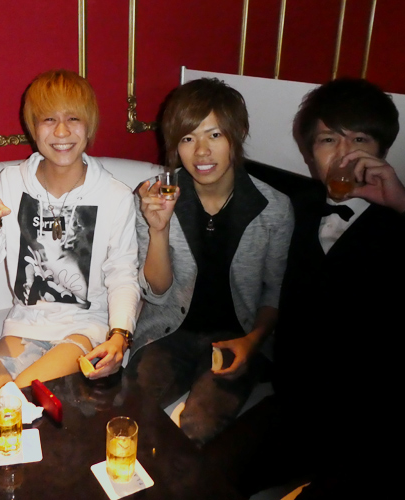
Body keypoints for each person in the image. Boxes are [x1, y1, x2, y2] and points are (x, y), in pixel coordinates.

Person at [206, 78, 405, 498]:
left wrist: (401, 204)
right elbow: (270, 289)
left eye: (360, 139)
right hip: (295, 404)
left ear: (382, 151)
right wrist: (252, 340)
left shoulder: (398, 221)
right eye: (328, 139)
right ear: (311, 154)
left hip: (373, 420)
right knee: (206, 476)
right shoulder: (294, 209)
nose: (344, 154)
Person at [125, 78, 294, 446]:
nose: (201, 151)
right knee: (130, 416)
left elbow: (275, 291)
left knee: (197, 429)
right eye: (187, 138)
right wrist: (158, 229)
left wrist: (252, 342)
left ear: (238, 133)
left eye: (214, 135)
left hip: (236, 336)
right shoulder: (154, 197)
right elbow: (155, 293)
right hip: (169, 332)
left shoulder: (273, 208)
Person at [0, 69, 140, 405]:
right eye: (49, 119)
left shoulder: (115, 196)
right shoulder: (11, 182)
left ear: (89, 125)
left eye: (73, 119)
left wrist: (120, 335)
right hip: (24, 325)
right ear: (33, 127)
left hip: (85, 328)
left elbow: (123, 274)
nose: (62, 132)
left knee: (16, 402)